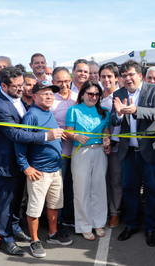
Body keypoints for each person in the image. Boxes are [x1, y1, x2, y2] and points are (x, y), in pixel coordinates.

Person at [0, 66, 64, 256]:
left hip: (21, 161)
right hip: (6, 162)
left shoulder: (18, 101)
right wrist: (45, 137)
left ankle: (14, 229)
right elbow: (16, 133)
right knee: (6, 201)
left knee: (16, 201)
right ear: (3, 86)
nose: (22, 89)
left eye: (22, 84)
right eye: (17, 86)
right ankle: (5, 239)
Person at [111, 59, 155, 247]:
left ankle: (151, 228)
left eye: (131, 74)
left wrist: (136, 110)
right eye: (124, 75)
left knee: (152, 190)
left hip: (150, 151)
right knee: (130, 189)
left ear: (140, 75)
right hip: (128, 152)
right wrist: (119, 114)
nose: (127, 78)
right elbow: (113, 118)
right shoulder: (118, 93)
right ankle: (132, 225)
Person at [15, 81, 73, 258]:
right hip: (39, 172)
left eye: (51, 93)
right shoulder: (32, 115)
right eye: (44, 93)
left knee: (54, 205)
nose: (49, 96)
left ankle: (53, 234)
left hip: (55, 169)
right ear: (34, 96)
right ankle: (34, 240)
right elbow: (20, 141)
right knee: (34, 209)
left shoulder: (49, 112)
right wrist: (26, 167)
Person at [65, 80, 111, 241]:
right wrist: (76, 136)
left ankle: (98, 222)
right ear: (82, 94)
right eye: (90, 94)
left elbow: (106, 131)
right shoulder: (73, 110)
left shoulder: (104, 111)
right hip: (80, 152)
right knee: (81, 189)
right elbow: (68, 132)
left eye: (97, 94)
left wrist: (107, 139)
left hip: (99, 152)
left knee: (99, 188)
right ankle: (84, 225)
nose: (93, 97)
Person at [50, 67, 77, 228]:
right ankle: (57, 222)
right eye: (59, 81)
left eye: (66, 81)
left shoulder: (77, 97)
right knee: (57, 188)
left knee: (72, 186)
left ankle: (69, 217)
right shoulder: (51, 99)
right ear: (53, 82)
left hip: (76, 150)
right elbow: (46, 124)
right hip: (58, 151)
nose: (63, 84)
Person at [99, 63, 122, 229]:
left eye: (109, 76)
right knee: (101, 181)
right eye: (103, 76)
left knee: (115, 181)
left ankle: (115, 213)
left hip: (115, 146)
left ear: (116, 78)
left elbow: (121, 124)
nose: (106, 80)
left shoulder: (119, 96)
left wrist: (111, 141)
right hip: (97, 146)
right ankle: (103, 210)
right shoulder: (97, 96)